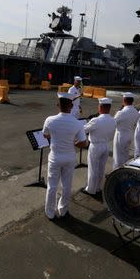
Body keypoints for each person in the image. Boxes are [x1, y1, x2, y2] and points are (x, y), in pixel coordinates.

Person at [42, 92, 88, 220]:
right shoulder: (77, 123)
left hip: (55, 157)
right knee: (67, 186)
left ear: (58, 105)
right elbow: (83, 143)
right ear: (72, 106)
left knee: (52, 186)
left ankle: (50, 213)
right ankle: (63, 210)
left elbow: (45, 135)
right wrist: (73, 142)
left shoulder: (49, 120)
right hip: (69, 157)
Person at [82, 97, 116, 195]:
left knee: (93, 169)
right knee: (101, 168)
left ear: (100, 107)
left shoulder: (96, 120)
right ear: (109, 108)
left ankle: (91, 190)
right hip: (106, 146)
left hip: (95, 146)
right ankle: (98, 188)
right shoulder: (113, 120)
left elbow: (84, 130)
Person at [113, 92, 139, 169]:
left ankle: (116, 172)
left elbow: (113, 123)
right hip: (130, 134)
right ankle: (124, 170)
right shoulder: (136, 112)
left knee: (117, 156)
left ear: (124, 100)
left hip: (120, 135)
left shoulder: (121, 112)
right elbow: (134, 123)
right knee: (125, 155)